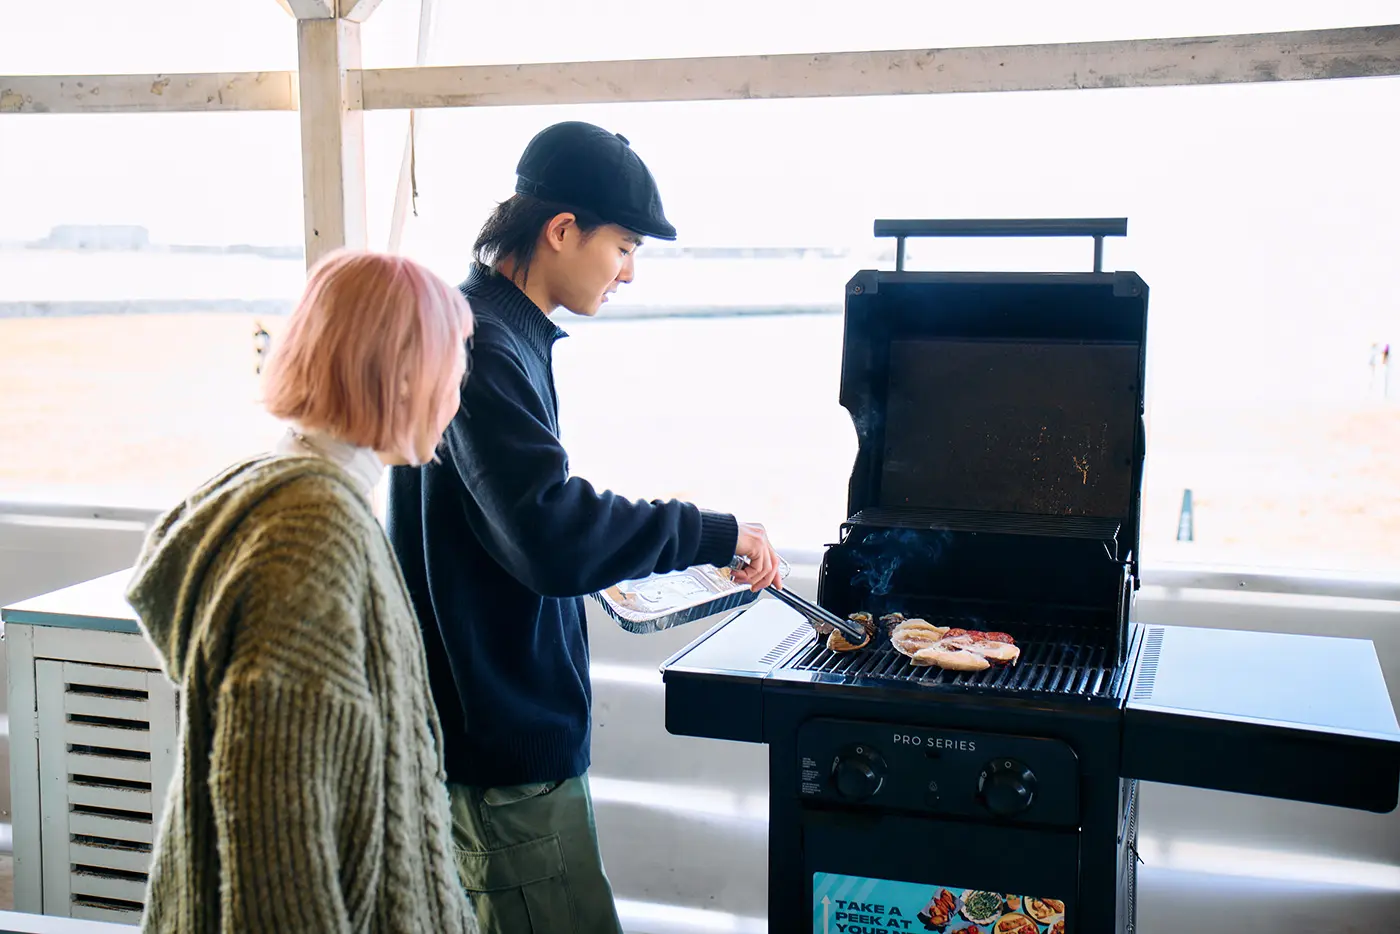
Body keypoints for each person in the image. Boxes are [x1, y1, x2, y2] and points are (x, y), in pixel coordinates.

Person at [385, 121, 783, 933]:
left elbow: (513, 526)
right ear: (561, 230)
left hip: (502, 737)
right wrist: (717, 532)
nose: (629, 274)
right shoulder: (482, 345)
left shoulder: (492, 332)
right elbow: (551, 535)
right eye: (625, 247)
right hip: (502, 750)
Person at [125, 250, 479, 934]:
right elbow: (273, 829)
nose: (457, 395)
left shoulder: (292, 488)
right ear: (403, 376)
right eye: (453, 371)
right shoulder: (312, 532)